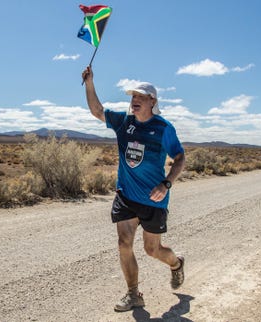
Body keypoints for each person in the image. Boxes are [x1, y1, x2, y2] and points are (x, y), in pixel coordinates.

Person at [82, 66, 186, 312]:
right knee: (123, 243)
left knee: (153, 249)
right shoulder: (123, 122)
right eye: (132, 97)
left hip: (153, 199)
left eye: (140, 97)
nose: (134, 100)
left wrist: (167, 183)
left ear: (153, 101)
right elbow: (97, 111)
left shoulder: (163, 128)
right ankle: (133, 294)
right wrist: (89, 83)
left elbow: (180, 157)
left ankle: (176, 263)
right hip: (126, 196)